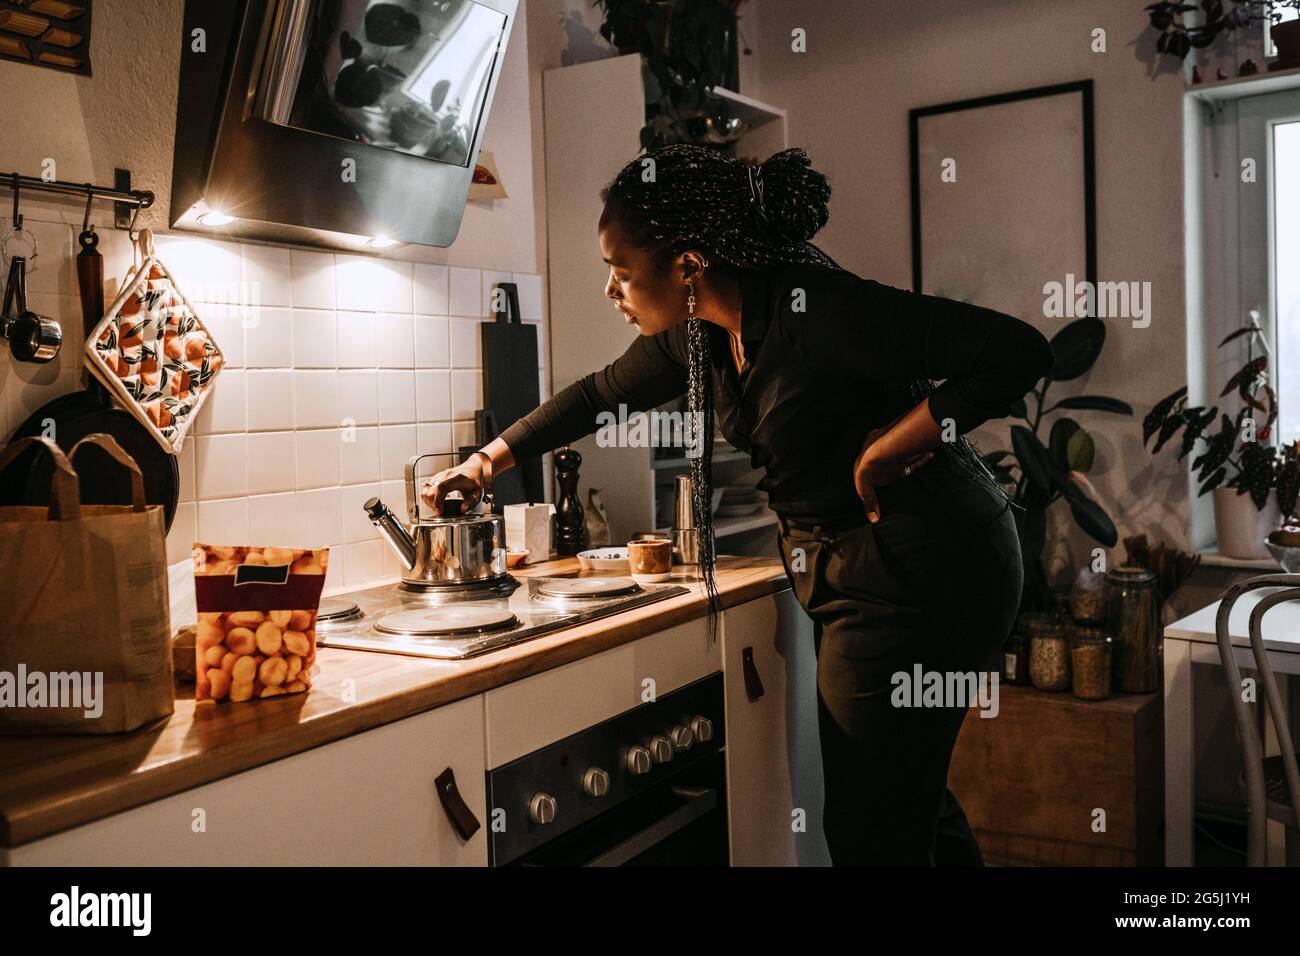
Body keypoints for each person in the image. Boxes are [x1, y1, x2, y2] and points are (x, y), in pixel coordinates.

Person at [421, 144, 1055, 865]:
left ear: (689, 267)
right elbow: (598, 396)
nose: (610, 290)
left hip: (927, 563)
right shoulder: (707, 336)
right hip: (858, 567)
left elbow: (1018, 352)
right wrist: (485, 461)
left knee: (872, 828)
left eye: (622, 272)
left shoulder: (817, 313)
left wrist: (893, 444)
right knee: (904, 802)